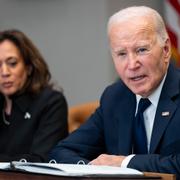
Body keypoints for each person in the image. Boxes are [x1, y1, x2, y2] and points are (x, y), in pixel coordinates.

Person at [49, 6, 180, 178]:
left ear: (165, 50)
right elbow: (62, 152)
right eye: (121, 54)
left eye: (141, 50)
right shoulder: (116, 97)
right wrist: (96, 170)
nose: (132, 64)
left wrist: (123, 163)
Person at [0, 29, 68, 162]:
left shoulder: (51, 102)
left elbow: (40, 159)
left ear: (29, 67)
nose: (4, 72)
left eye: (12, 63)